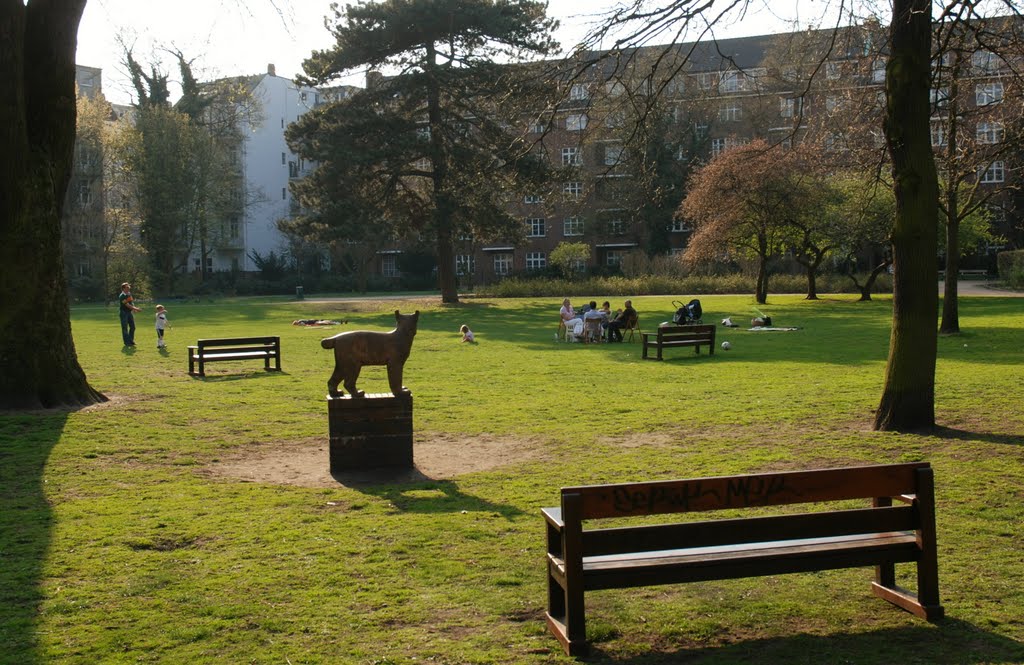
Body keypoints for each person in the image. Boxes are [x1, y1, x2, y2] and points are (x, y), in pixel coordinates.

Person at [118, 282, 141, 346]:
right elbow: (127, 305)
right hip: (123, 313)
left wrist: (133, 309)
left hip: (129, 312)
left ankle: (131, 341)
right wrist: (136, 309)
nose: (129, 288)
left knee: (133, 327)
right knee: (125, 328)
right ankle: (127, 342)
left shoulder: (129, 294)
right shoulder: (121, 296)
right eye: (127, 287)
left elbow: (131, 303)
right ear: (123, 288)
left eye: (129, 287)